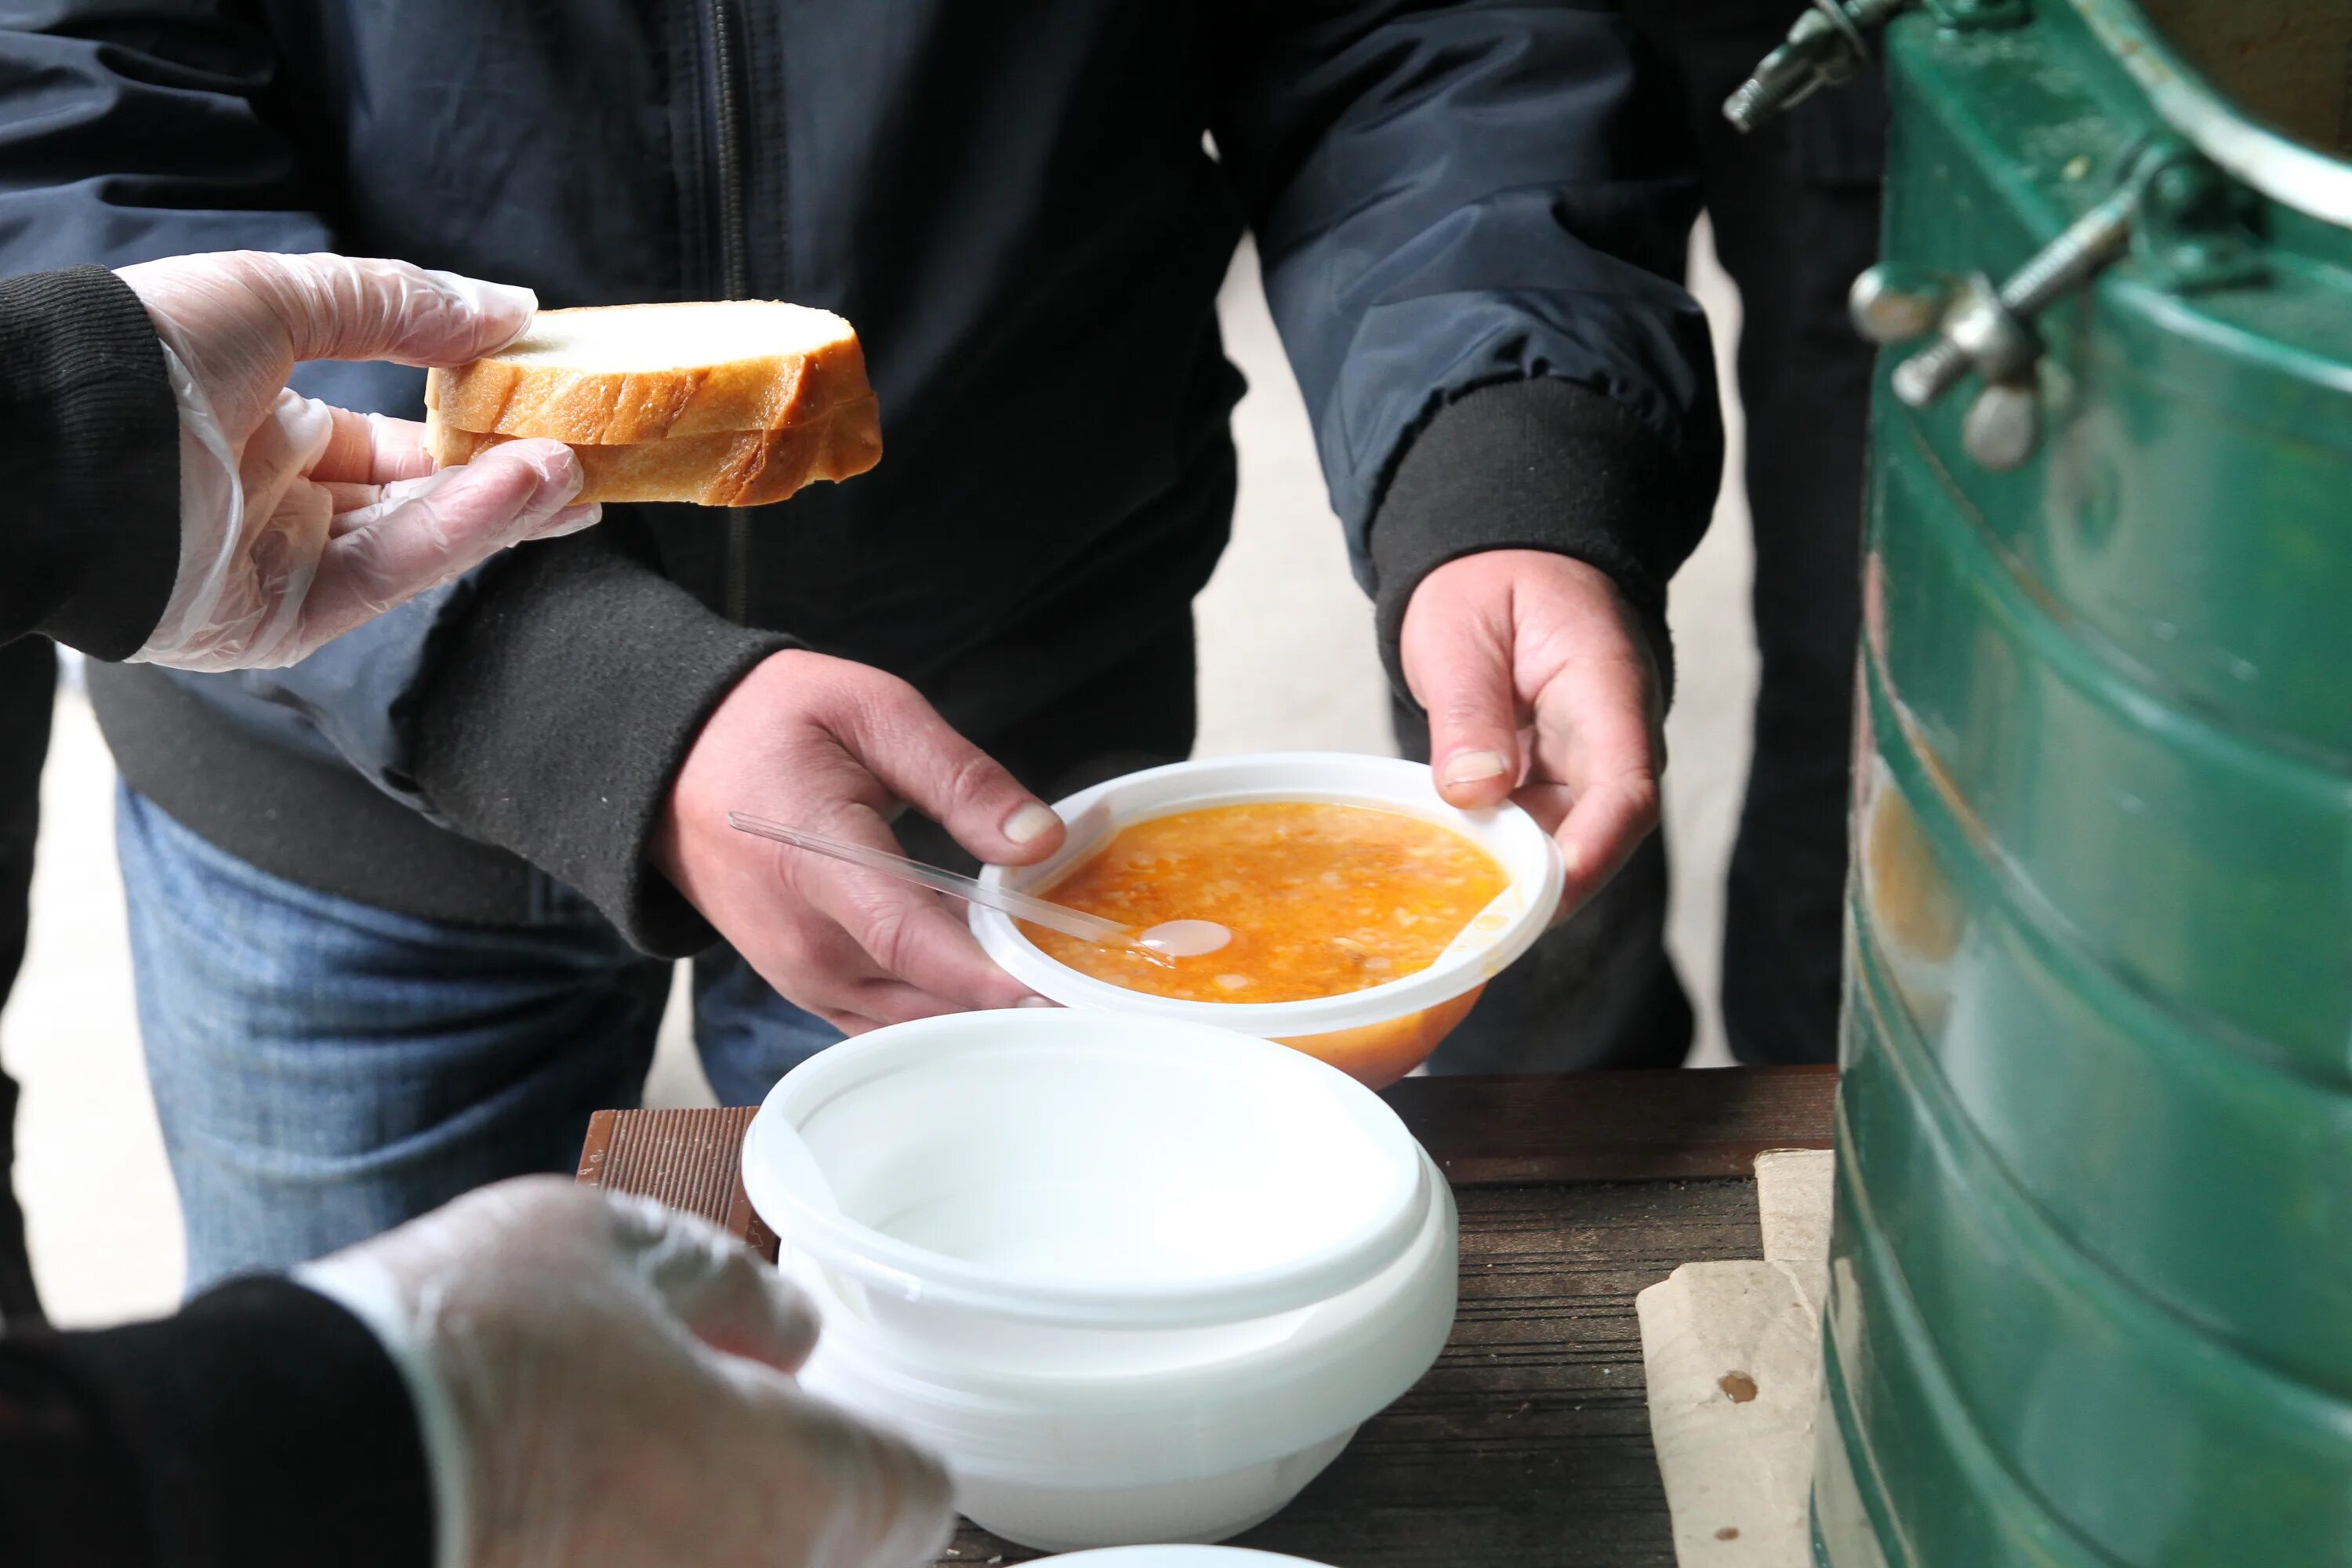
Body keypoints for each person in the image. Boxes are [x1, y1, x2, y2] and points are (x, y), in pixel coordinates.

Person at [0, 2, 1724, 1286]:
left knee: (976, 1459)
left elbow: (1424, 36)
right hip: (338, 773)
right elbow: (62, 102)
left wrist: (1508, 452)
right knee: (366, 1475)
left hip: (1012, 772)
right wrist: (573, 698)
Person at [0, 253, 951, 1568]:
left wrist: (76, 417)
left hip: (965, 720)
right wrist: (353, 1440)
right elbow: (62, 96)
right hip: (326, 796)